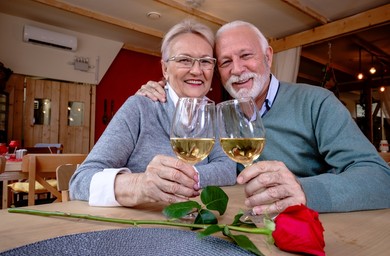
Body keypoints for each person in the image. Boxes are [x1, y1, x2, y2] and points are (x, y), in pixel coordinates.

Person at [137, 20, 390, 214]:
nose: (237, 69)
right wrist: (165, 87)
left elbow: (380, 179)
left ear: (268, 56)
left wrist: (304, 191)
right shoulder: (218, 115)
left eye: (246, 56)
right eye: (225, 62)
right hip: (240, 227)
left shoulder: (317, 103)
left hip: (311, 233)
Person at [69, 19, 236, 207]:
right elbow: (80, 181)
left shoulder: (213, 114)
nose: (197, 70)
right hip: (141, 227)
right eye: (184, 60)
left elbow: (227, 169)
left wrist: (182, 179)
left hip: (196, 224)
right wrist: (139, 185)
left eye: (205, 61)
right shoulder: (139, 107)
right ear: (165, 69)